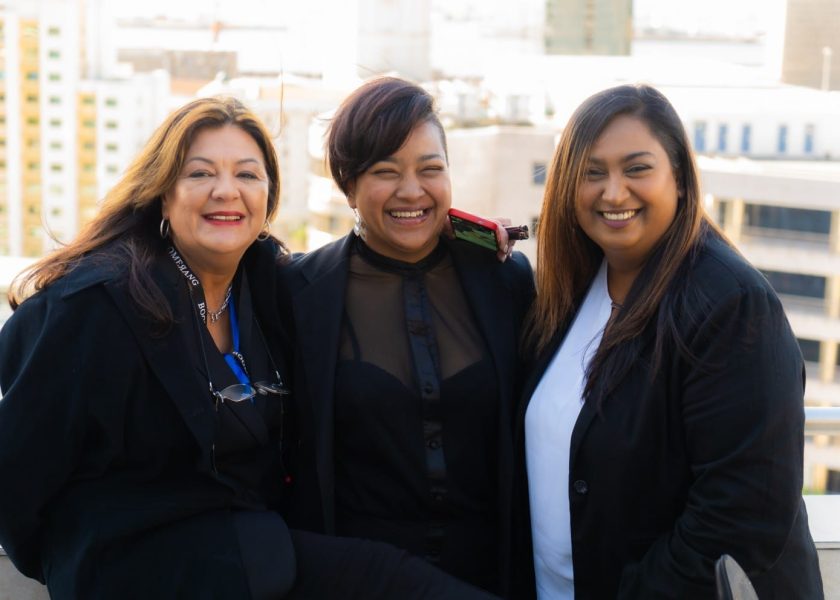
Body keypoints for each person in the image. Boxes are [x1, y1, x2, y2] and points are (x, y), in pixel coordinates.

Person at [0, 96, 498, 600]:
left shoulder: (267, 287)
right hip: (137, 565)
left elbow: (389, 232)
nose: (226, 191)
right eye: (200, 174)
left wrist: (468, 233)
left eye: (247, 175)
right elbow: (19, 474)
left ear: (268, 196)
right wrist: (75, 564)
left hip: (247, 556)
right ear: (162, 194)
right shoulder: (98, 302)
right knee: (389, 581)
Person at [516, 84, 823, 599]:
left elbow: (741, 515)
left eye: (637, 168)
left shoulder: (731, 305)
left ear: (678, 179)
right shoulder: (570, 292)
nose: (613, 193)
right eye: (592, 173)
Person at [278, 77, 535, 597]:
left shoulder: (505, 281)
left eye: (430, 169)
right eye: (385, 172)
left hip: (492, 578)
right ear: (347, 185)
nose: (413, 190)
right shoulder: (296, 294)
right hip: (359, 582)